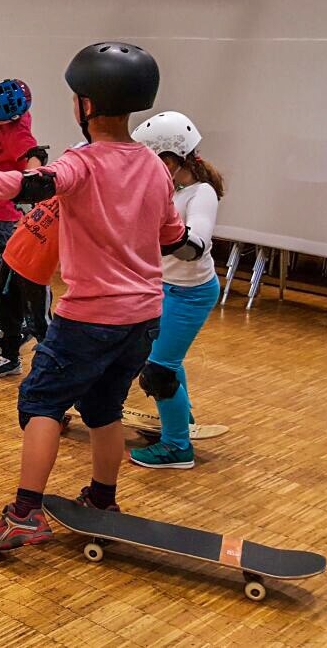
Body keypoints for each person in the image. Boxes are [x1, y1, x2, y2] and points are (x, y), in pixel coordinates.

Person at [0, 42, 201, 551]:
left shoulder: (82, 162)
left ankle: (24, 514)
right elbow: (173, 237)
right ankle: (102, 498)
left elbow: (34, 183)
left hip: (88, 318)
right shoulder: (154, 167)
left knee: (42, 403)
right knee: (105, 410)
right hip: (144, 319)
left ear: (84, 104)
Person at [128, 111, 225, 470]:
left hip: (192, 293)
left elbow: (196, 243)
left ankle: (176, 447)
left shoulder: (202, 194)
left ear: (170, 160)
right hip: (165, 287)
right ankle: (181, 420)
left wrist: (165, 236)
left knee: (158, 372)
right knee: (162, 360)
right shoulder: (172, 188)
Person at [0, 79, 48, 334]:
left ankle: (0, 316)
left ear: (11, 118)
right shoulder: (2, 120)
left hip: (4, 213)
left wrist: (33, 179)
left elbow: (33, 158)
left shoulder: (20, 134)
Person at [0, 194, 58, 378]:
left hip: (36, 272)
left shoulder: (85, 209)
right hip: (11, 258)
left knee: (41, 325)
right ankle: (10, 359)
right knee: (6, 316)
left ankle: (53, 372)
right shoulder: (58, 191)